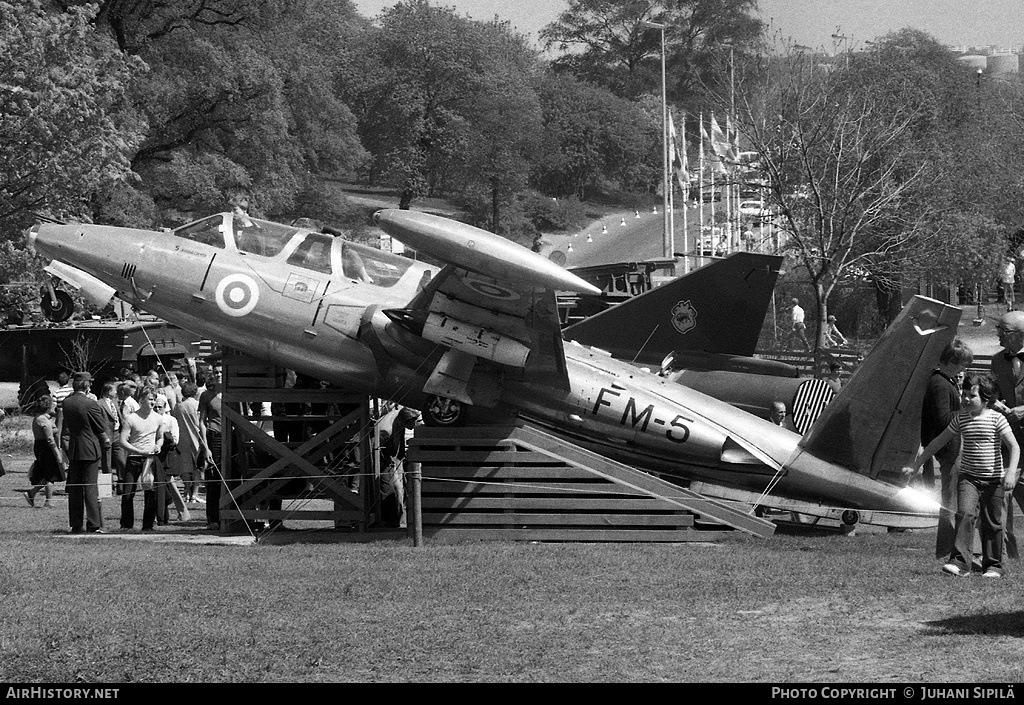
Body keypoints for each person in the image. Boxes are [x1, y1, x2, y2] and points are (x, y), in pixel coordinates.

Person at [904, 374, 1019, 578]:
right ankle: (960, 563)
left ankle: (993, 566)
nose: (965, 399)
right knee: (965, 515)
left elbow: (1014, 446)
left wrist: (1010, 472)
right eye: (964, 394)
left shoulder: (997, 418)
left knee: (993, 523)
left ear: (986, 399)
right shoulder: (961, 418)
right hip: (968, 479)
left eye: (971, 396)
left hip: (994, 481)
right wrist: (916, 465)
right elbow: (938, 442)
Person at [920, 338, 973, 560]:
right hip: (950, 449)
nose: (964, 369)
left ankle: (950, 549)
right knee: (951, 502)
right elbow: (943, 419)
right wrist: (969, 411)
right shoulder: (940, 384)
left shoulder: (943, 381)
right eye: (962, 364)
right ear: (952, 361)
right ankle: (948, 550)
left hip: (952, 448)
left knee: (952, 500)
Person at [60, 372, 111, 534]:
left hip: (74, 448)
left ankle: (76, 524)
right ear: (86, 385)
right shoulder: (90, 404)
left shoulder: (66, 403)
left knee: (75, 488)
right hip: (90, 448)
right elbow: (101, 427)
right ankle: (93, 524)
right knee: (90, 487)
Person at [118, 386, 164, 531]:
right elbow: (122, 441)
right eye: (150, 399)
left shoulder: (158, 418)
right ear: (142, 400)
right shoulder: (131, 418)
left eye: (154, 399)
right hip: (134, 458)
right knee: (128, 492)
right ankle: (126, 525)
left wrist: (158, 446)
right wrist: (137, 450)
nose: (153, 402)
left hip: (149, 460)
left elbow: (160, 437)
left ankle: (148, 525)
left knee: (150, 493)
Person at [376, 406, 420, 529]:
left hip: (393, 458)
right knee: (389, 489)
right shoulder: (386, 430)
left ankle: (398, 521)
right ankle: (389, 521)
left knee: (401, 490)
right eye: (413, 423)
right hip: (382, 460)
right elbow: (374, 449)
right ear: (404, 421)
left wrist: (400, 455)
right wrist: (387, 461)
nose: (415, 425)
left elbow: (399, 436)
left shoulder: (399, 417)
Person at [26, 395, 67, 509]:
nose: (54, 406)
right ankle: (48, 501)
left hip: (43, 446)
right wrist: (57, 453)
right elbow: (50, 438)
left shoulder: (45, 418)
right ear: (47, 406)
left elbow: (54, 429)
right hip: (45, 448)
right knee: (50, 474)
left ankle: (32, 493)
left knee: (48, 474)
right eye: (53, 404)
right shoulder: (42, 419)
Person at [172, 381, 207, 505]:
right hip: (197, 439)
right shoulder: (197, 405)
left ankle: (186, 492)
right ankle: (195, 494)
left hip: (182, 440)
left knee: (185, 468)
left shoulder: (178, 407)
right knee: (198, 467)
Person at [198, 363, 223, 530]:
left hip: (231, 437)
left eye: (222, 371)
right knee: (214, 478)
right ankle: (212, 518)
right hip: (214, 437)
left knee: (230, 477)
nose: (219, 374)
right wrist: (205, 447)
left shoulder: (230, 394)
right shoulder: (206, 395)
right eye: (216, 372)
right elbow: (201, 422)